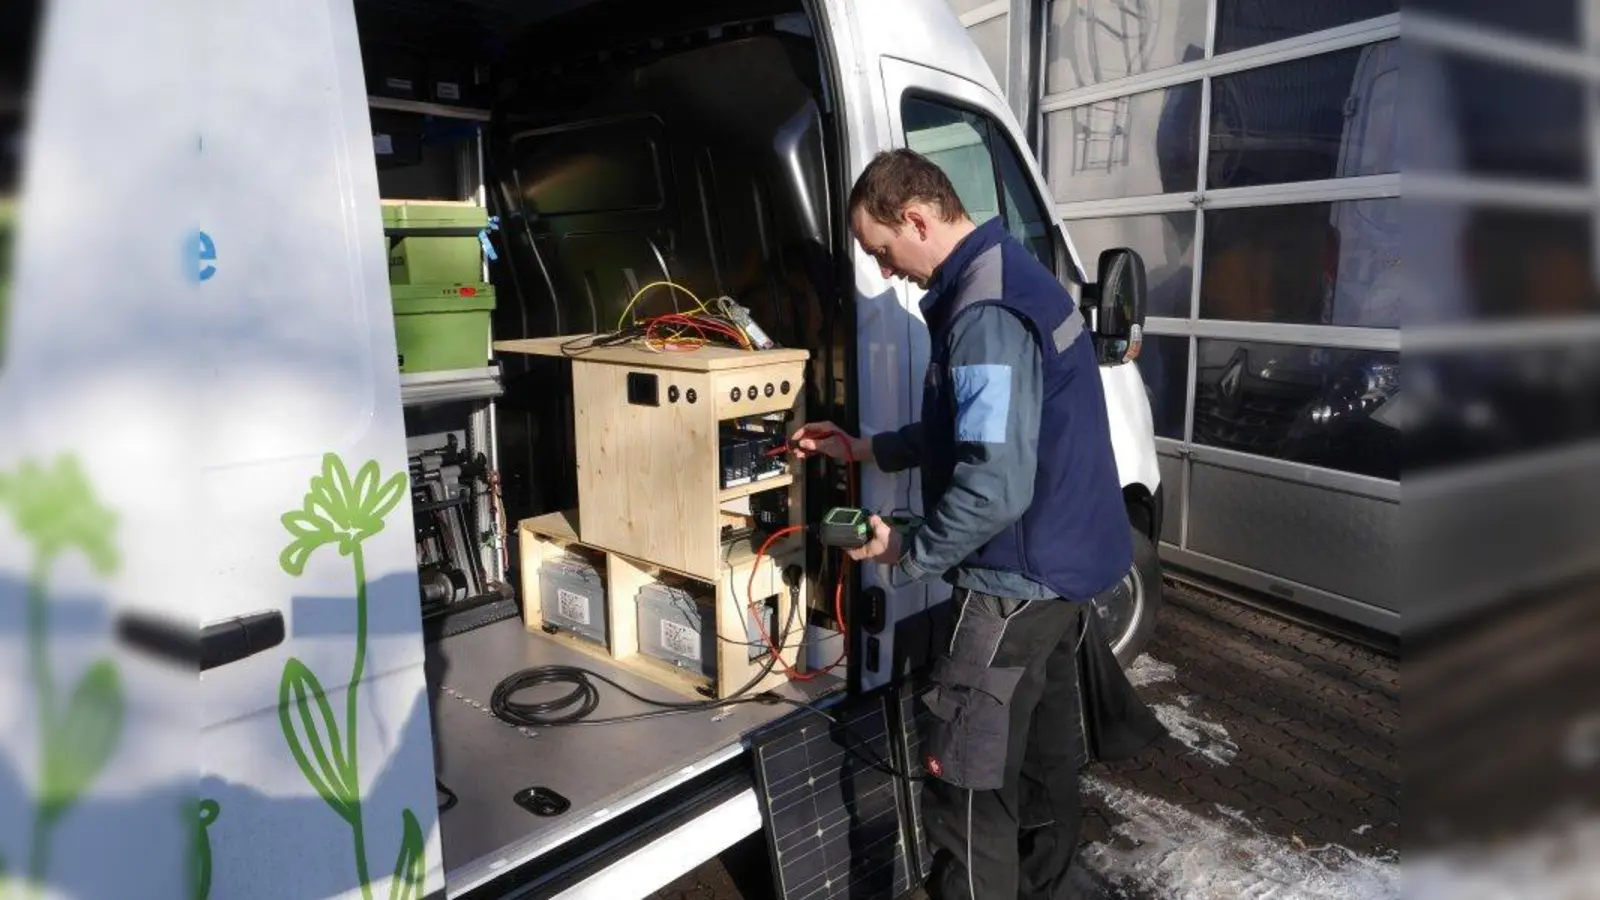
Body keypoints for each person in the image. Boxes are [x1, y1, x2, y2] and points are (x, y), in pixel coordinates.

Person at [791, 148, 1135, 899]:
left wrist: (906, 546)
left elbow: (992, 487)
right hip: (1061, 574)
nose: (886, 273)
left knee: (971, 793)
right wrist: (870, 447)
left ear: (915, 218)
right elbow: (975, 429)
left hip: (1011, 586)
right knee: (1043, 763)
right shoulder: (1011, 272)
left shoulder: (982, 313)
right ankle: (1049, 886)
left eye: (883, 251)